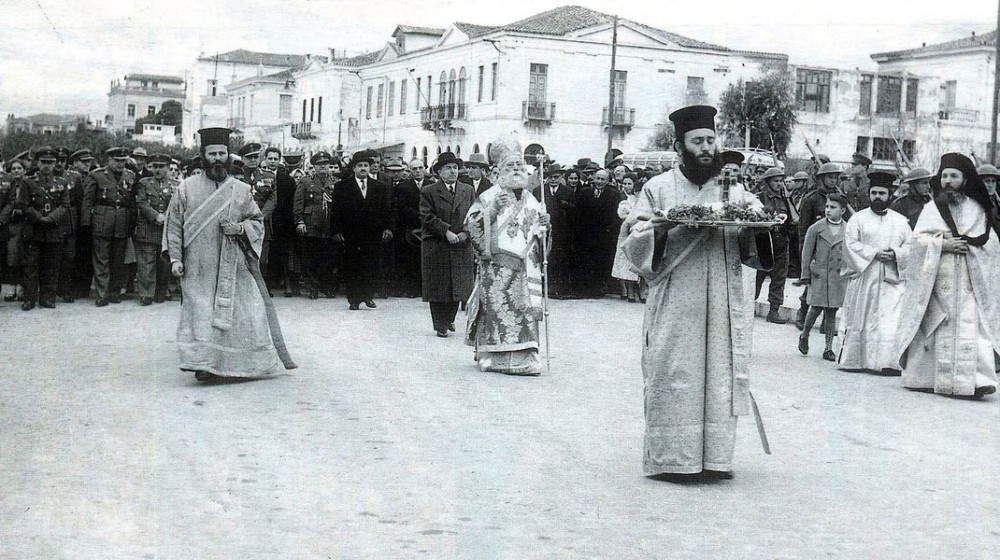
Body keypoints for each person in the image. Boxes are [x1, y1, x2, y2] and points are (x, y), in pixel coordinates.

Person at [621, 105, 766, 479]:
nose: (706, 148)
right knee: (673, 369)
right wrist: (664, 226)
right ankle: (673, 459)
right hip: (675, 294)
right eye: (697, 141)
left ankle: (716, 460)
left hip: (722, 295)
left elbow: (756, 227)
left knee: (719, 371)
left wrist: (757, 225)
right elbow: (632, 241)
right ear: (679, 145)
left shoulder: (734, 188)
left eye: (710, 140)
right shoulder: (658, 188)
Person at [163, 127, 296, 382]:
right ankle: (204, 364)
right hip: (198, 266)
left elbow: (257, 221)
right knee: (201, 315)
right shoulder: (186, 189)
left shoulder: (242, 189)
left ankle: (235, 365)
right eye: (212, 153)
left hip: (233, 264)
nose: (217, 158)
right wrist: (176, 259)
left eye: (221, 153)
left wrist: (240, 228)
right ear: (203, 155)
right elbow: (173, 227)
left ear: (227, 155)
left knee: (240, 314)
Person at [895, 153, 1000, 398]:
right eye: (944, 176)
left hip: (968, 283)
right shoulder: (932, 209)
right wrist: (943, 244)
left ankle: (976, 380)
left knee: (972, 329)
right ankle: (925, 378)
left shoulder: (978, 209)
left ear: (965, 179)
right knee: (934, 326)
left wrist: (972, 251)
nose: (948, 181)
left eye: (954, 176)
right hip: (936, 281)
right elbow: (916, 242)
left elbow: (991, 246)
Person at [465, 145, 550, 373]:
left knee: (524, 311)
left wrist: (545, 227)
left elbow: (538, 237)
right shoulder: (489, 196)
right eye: (510, 166)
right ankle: (490, 356)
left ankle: (526, 355)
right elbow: (471, 224)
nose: (515, 170)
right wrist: (491, 211)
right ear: (499, 171)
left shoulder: (533, 199)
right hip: (496, 266)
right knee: (496, 310)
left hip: (524, 267)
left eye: (519, 166)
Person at [837, 171, 912, 374]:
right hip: (865, 275)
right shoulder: (858, 219)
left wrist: (896, 254)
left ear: (890, 195)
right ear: (869, 194)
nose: (877, 197)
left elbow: (911, 247)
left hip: (892, 278)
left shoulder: (901, 221)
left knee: (890, 319)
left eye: (882, 193)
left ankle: (888, 363)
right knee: (862, 316)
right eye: (874, 193)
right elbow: (849, 244)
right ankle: (857, 360)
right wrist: (874, 253)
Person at [419, 151, 475, 336]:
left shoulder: (467, 190)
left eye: (455, 168)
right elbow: (428, 217)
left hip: (461, 242)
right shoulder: (429, 191)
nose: (453, 171)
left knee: (457, 284)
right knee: (439, 285)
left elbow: (474, 215)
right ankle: (440, 324)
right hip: (437, 244)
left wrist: (465, 233)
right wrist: (446, 231)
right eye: (448, 168)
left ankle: (449, 318)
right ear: (439, 172)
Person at [331, 151, 393, 310]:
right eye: (360, 166)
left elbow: (386, 210)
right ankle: (354, 300)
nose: (363, 168)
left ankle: (368, 296)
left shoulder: (379, 186)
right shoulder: (342, 186)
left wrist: (387, 227)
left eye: (366, 165)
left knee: (371, 265)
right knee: (352, 265)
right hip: (351, 232)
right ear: (353, 168)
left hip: (373, 233)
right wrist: (336, 231)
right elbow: (336, 211)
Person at [796, 162, 851, 329]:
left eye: (836, 177)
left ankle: (826, 325)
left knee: (831, 290)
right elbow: (804, 229)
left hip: (834, 250)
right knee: (813, 289)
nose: (833, 180)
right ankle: (802, 314)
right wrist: (805, 255)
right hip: (816, 248)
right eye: (830, 177)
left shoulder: (841, 200)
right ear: (821, 178)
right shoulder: (810, 199)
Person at [798, 193, 849, 361]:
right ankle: (805, 335)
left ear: (842, 210)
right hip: (819, 275)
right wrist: (805, 274)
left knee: (832, 311)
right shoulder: (816, 228)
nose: (828, 210)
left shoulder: (848, 229)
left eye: (833, 207)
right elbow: (806, 253)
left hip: (837, 276)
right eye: (827, 206)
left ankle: (828, 348)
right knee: (815, 308)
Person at [82, 147, 136, 306]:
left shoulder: (131, 176)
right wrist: (86, 223)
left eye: (122, 161)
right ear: (109, 160)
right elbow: (88, 201)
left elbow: (132, 202)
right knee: (101, 259)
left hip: (122, 223)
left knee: (118, 260)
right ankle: (102, 294)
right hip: (102, 221)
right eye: (116, 160)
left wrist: (132, 224)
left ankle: (114, 292)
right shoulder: (97, 175)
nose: (120, 164)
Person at [19, 147, 70, 310]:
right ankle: (29, 299)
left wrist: (51, 218)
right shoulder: (28, 182)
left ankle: (48, 298)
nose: (47, 166)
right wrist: (39, 218)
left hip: (53, 229)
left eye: (50, 162)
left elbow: (65, 205)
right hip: (34, 229)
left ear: (55, 163)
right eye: (44, 162)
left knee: (52, 265)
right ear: (38, 163)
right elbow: (23, 205)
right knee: (31, 266)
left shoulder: (62, 183)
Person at [294, 151, 338, 299]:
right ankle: (312, 287)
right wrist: (299, 221)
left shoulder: (335, 182)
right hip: (311, 223)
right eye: (319, 164)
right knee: (311, 257)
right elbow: (298, 203)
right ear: (314, 166)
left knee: (328, 257)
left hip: (329, 224)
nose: (323, 167)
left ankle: (325, 286)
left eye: (325, 164)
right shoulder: (306, 182)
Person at [134, 154, 176, 305]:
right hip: (148, 227)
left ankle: (162, 291)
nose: (158, 170)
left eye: (161, 166)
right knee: (147, 263)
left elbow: (176, 205)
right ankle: (146, 294)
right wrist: (155, 216)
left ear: (167, 167)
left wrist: (165, 216)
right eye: (155, 166)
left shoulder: (175, 184)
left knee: (164, 262)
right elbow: (142, 203)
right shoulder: (144, 183)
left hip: (166, 229)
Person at [754, 167, 794, 324]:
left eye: (780, 181)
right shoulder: (759, 198)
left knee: (779, 277)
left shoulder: (785, 200)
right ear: (767, 182)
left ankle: (774, 311)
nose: (779, 184)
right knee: (758, 275)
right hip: (764, 240)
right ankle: (748, 304)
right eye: (775, 181)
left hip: (781, 241)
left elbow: (793, 219)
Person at [575, 168, 620, 298]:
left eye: (602, 179)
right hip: (587, 234)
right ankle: (586, 287)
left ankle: (598, 287)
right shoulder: (584, 193)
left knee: (601, 261)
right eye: (597, 178)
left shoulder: (613, 194)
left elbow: (615, 216)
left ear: (607, 181)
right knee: (586, 259)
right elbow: (578, 213)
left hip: (603, 235)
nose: (599, 182)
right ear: (593, 179)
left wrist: (608, 230)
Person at [535, 163, 575, 299]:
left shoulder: (568, 191)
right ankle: (542, 285)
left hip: (561, 231)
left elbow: (573, 211)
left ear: (561, 177)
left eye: (556, 177)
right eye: (551, 177)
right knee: (543, 256)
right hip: (543, 230)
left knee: (559, 258)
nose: (553, 180)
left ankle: (557, 287)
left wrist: (566, 206)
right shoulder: (539, 190)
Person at [391, 159, 426, 298]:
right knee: (410, 259)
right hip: (409, 228)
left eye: (420, 168)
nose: (417, 171)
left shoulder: (432, 185)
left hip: (428, 226)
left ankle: (425, 288)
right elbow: (401, 207)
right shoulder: (403, 187)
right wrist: (418, 216)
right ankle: (412, 288)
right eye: (414, 169)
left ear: (424, 169)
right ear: (410, 171)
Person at [1, 160, 30, 302]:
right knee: (12, 256)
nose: (16, 171)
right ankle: (12, 286)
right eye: (13, 169)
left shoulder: (30, 183)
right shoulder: (8, 185)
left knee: (25, 256)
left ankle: (23, 287)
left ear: (24, 170)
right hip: (11, 224)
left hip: (27, 223)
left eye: (19, 168)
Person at [611, 172, 642, 302]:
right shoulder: (619, 196)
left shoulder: (638, 198)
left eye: (629, 184)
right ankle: (624, 288)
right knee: (622, 259)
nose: (627, 186)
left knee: (632, 260)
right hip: (623, 229)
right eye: (624, 183)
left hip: (636, 230)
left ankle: (633, 289)